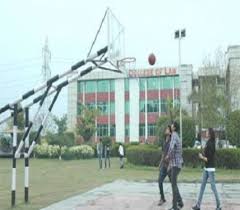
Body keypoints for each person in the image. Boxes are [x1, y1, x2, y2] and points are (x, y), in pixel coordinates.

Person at [192, 128, 221, 210]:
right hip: (206, 168)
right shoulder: (208, 142)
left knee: (213, 187)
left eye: (207, 132)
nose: (206, 133)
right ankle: (198, 205)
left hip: (210, 169)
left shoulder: (211, 144)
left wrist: (201, 157)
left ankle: (219, 205)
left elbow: (209, 159)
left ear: (210, 133)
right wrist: (203, 153)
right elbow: (207, 154)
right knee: (202, 187)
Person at [166, 121, 184, 210]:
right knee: (170, 175)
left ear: (174, 128)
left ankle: (175, 206)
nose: (171, 125)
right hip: (175, 163)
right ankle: (180, 201)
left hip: (176, 164)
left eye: (172, 125)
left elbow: (171, 147)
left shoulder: (174, 135)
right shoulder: (175, 135)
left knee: (173, 185)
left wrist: (167, 156)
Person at [158, 125, 172, 206]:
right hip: (164, 166)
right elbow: (163, 154)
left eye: (167, 129)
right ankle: (162, 198)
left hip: (170, 166)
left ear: (170, 132)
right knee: (160, 181)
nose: (165, 130)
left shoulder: (171, 141)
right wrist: (160, 164)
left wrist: (170, 164)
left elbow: (172, 154)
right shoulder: (164, 141)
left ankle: (177, 200)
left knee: (173, 184)